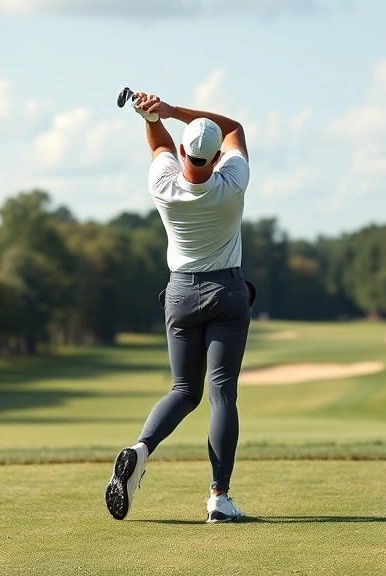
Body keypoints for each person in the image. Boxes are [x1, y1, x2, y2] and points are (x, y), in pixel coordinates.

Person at [105, 91, 253, 523]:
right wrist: (173, 111)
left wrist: (152, 117)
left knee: (184, 390)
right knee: (221, 393)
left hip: (181, 294)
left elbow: (159, 148)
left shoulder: (164, 185)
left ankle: (141, 448)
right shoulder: (233, 182)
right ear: (216, 158)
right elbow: (233, 128)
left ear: (185, 152)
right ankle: (219, 498)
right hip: (227, 293)